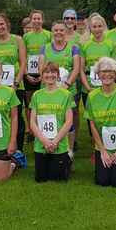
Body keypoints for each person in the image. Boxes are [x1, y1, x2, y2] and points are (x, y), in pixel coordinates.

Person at [85, 57, 116, 187]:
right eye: (103, 71)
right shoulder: (92, 96)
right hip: (103, 147)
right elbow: (93, 126)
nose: (106, 74)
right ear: (97, 74)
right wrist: (102, 150)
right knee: (102, 181)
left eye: (110, 71)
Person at [0, 13, 28, 167]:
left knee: (17, 117)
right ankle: (2, 148)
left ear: (7, 24)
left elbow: (23, 62)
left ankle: (18, 151)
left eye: (1, 24)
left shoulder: (17, 40)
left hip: (15, 85)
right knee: (1, 116)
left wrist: (16, 82)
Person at [39, 20, 81, 153]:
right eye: (56, 30)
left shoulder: (73, 48)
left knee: (68, 119)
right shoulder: (44, 48)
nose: (58, 32)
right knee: (48, 115)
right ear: (52, 32)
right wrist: (52, 86)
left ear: (65, 32)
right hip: (47, 89)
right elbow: (41, 68)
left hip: (67, 89)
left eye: (61, 30)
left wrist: (66, 85)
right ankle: (48, 144)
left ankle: (69, 149)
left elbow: (76, 68)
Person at [29, 62, 75, 182]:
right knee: (41, 179)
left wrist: (54, 142)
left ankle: (67, 159)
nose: (50, 75)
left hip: (59, 143)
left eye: (53, 72)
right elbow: (32, 122)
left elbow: (69, 121)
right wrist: (44, 141)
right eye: (46, 72)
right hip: (41, 144)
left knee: (57, 179)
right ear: (42, 75)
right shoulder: (36, 95)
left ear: (58, 75)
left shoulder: (66, 95)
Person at [23, 10, 51, 138]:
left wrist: (43, 73)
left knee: (43, 101)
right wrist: (26, 74)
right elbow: (22, 56)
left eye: (39, 18)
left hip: (45, 72)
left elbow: (50, 55)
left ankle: (43, 128)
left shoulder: (48, 35)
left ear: (42, 20)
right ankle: (30, 129)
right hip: (29, 72)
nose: (36, 21)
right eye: (34, 18)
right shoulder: (26, 37)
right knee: (29, 103)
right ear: (31, 20)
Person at [80, 14, 115, 104]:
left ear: (104, 27)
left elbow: (114, 69)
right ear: (90, 28)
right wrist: (88, 88)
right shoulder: (85, 45)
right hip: (89, 87)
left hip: (107, 87)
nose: (97, 29)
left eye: (100, 26)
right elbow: (81, 70)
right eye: (94, 27)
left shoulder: (111, 44)